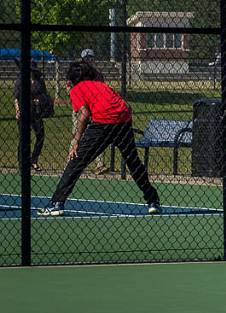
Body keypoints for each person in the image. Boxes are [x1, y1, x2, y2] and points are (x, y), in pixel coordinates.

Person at [38, 61, 160, 217]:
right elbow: (127, 107)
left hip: (103, 122)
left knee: (76, 161)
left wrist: (76, 140)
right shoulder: (101, 85)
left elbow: (84, 114)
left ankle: (56, 203)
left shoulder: (76, 89)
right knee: (133, 162)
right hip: (123, 120)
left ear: (71, 80)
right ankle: (153, 200)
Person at [13, 60, 53, 172]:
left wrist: (39, 100)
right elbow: (16, 97)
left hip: (36, 112)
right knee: (24, 138)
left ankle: (34, 160)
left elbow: (45, 95)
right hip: (23, 111)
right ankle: (22, 163)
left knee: (40, 135)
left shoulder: (39, 81)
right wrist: (17, 110)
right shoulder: (21, 80)